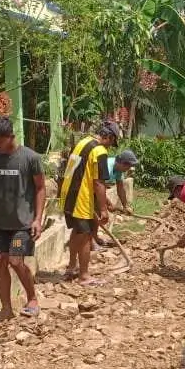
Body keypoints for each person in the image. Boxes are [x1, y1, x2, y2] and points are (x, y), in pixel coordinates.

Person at [0, 117, 46, 321]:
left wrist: (37, 219)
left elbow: (41, 188)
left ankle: (32, 298)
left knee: (16, 260)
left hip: (21, 224)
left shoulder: (30, 158)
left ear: (11, 136)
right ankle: (6, 309)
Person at [59, 121, 119, 285]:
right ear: (109, 137)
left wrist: (103, 200)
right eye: (112, 143)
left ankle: (72, 267)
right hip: (81, 198)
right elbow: (98, 182)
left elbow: (76, 171)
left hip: (68, 195)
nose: (110, 147)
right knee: (85, 236)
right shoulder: (99, 151)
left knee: (77, 232)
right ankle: (84, 276)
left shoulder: (82, 143)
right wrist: (103, 209)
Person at [94, 149, 140, 249]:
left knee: (98, 214)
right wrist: (108, 203)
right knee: (95, 214)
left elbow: (120, 188)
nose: (129, 169)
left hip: (98, 190)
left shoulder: (118, 169)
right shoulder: (107, 166)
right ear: (123, 163)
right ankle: (91, 241)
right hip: (89, 189)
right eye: (128, 166)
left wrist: (126, 205)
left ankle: (94, 238)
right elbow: (97, 186)